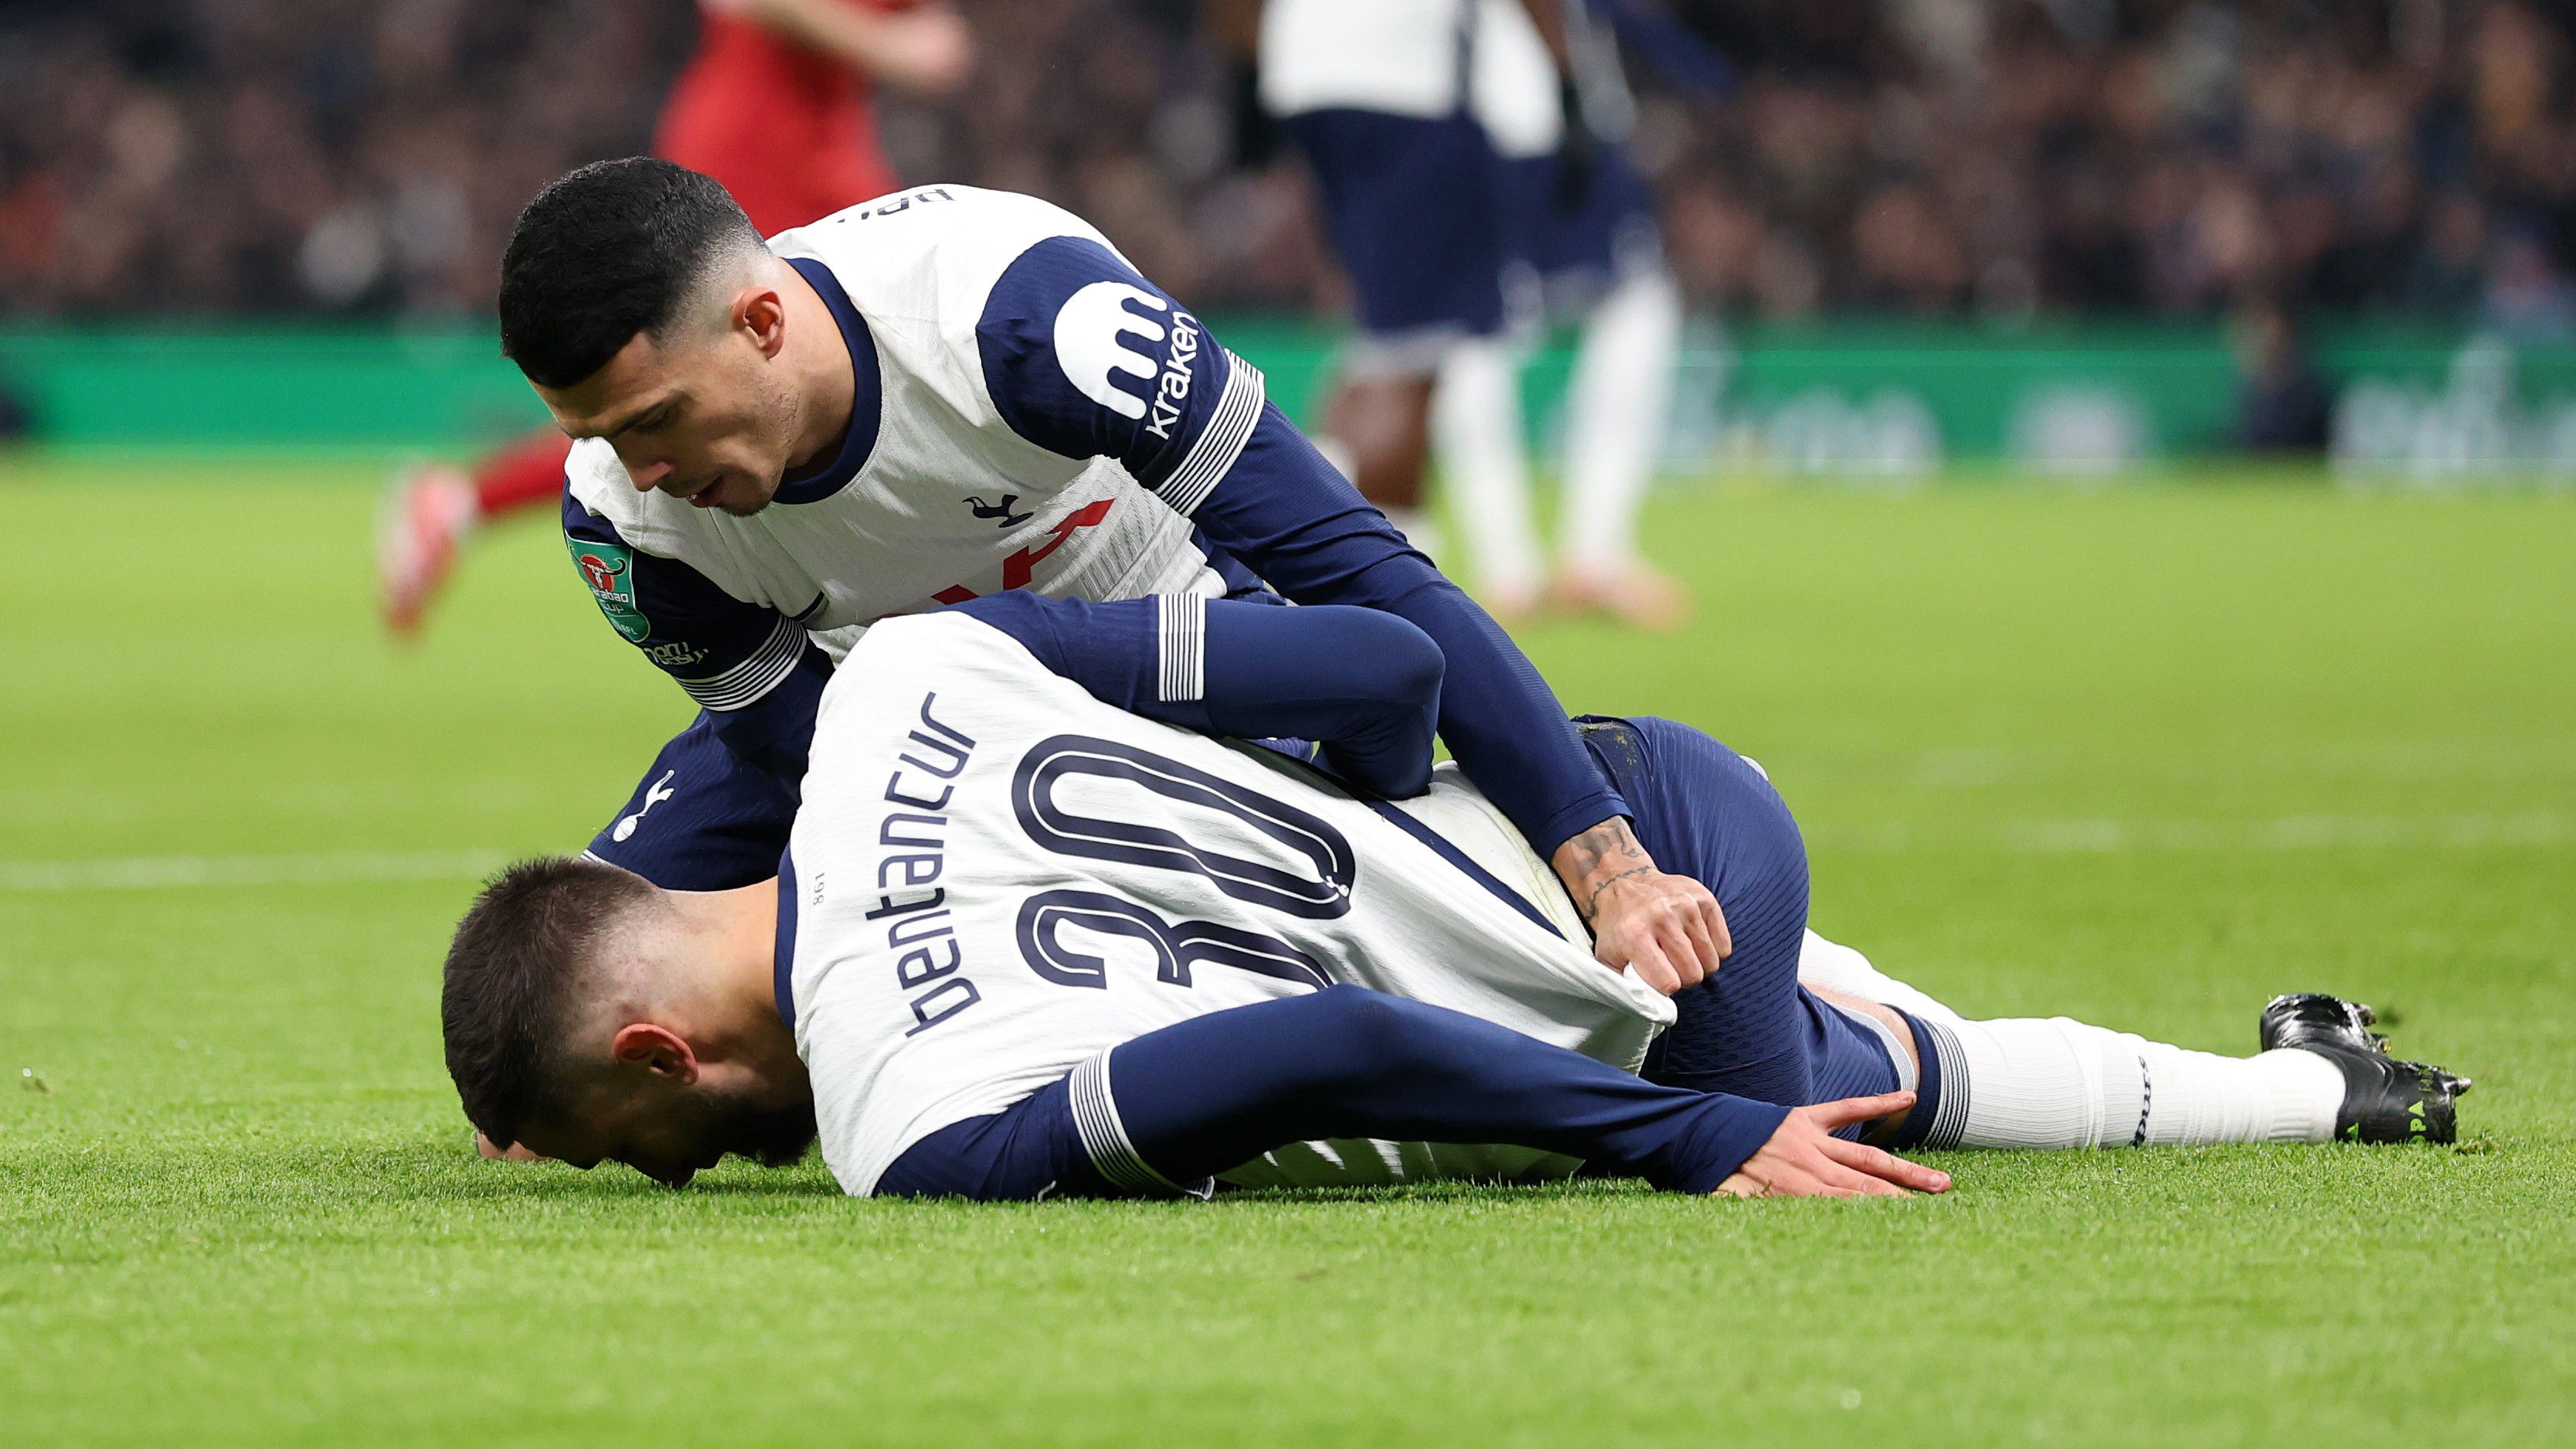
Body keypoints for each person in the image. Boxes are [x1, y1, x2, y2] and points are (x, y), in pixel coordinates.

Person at [439, 594, 2472, 1196]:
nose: (676, 1180)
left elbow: (1335, 1038)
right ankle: (2322, 1087)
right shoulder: (903, 663)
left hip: (1610, 976)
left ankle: (2310, 1092)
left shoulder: (909, 1128)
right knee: (1874, 1059)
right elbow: (1377, 673)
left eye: (638, 1151)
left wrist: (1691, 1146)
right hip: (1625, 808)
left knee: (1802, 1119)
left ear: (652, 1044)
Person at [484, 158, 1731, 1000]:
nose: (640, 469)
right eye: (599, 436)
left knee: (1319, 893)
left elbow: (1351, 561)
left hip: (1168, 639)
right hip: (882, 710)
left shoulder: (1018, 312)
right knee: (567, 1001)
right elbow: (805, 761)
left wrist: (1603, 863)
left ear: (760, 325)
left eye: (656, 418)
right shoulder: (623, 524)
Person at [376, 0, 974, 634]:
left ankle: (459, 502)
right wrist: (882, 45)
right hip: (759, 137)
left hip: (831, 139)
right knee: (684, 382)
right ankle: (463, 501)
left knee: (862, 342)